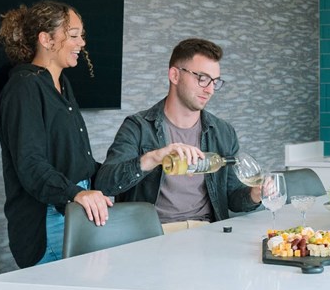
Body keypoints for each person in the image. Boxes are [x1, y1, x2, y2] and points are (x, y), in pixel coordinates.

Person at [94, 38, 261, 231]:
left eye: (215, 82)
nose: (209, 89)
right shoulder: (138, 127)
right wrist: (153, 157)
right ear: (174, 75)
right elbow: (105, 184)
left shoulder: (223, 132)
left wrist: (255, 194)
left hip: (207, 230)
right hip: (154, 233)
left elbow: (233, 198)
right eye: (202, 78)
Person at [0, 1, 112, 268]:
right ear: (46, 39)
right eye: (73, 35)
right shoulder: (24, 88)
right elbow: (30, 164)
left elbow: (75, 161)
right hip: (48, 219)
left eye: (82, 35)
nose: (81, 43)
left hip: (74, 208)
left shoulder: (61, 85)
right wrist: (76, 194)